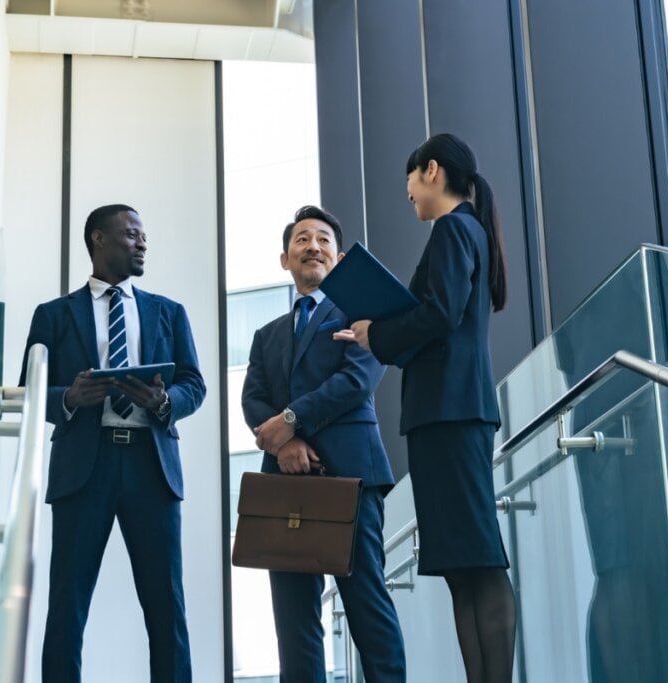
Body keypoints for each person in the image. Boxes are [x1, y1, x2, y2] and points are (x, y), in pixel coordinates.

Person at [337, 134, 516, 681]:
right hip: (445, 412)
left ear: (431, 171)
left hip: (452, 412)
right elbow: (440, 315)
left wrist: (378, 332)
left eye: (410, 182)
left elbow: (438, 312)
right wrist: (386, 331)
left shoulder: (455, 228)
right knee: (461, 566)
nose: (409, 195)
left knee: (479, 561)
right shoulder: (465, 231)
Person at [19, 204, 206, 682]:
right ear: (98, 239)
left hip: (151, 465)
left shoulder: (169, 312)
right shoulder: (53, 315)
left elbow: (194, 385)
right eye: (132, 234)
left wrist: (165, 402)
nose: (142, 243)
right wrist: (70, 396)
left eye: (144, 236)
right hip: (85, 466)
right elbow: (30, 393)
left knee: (167, 608)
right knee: (67, 605)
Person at [241, 205, 407, 682]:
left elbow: (357, 380)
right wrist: (283, 446)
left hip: (350, 475)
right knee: (293, 620)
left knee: (366, 604)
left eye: (323, 240)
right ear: (284, 259)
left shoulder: (362, 313)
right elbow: (254, 399)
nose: (312, 246)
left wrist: (291, 421)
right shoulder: (265, 334)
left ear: (336, 258)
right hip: (284, 483)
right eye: (301, 239)